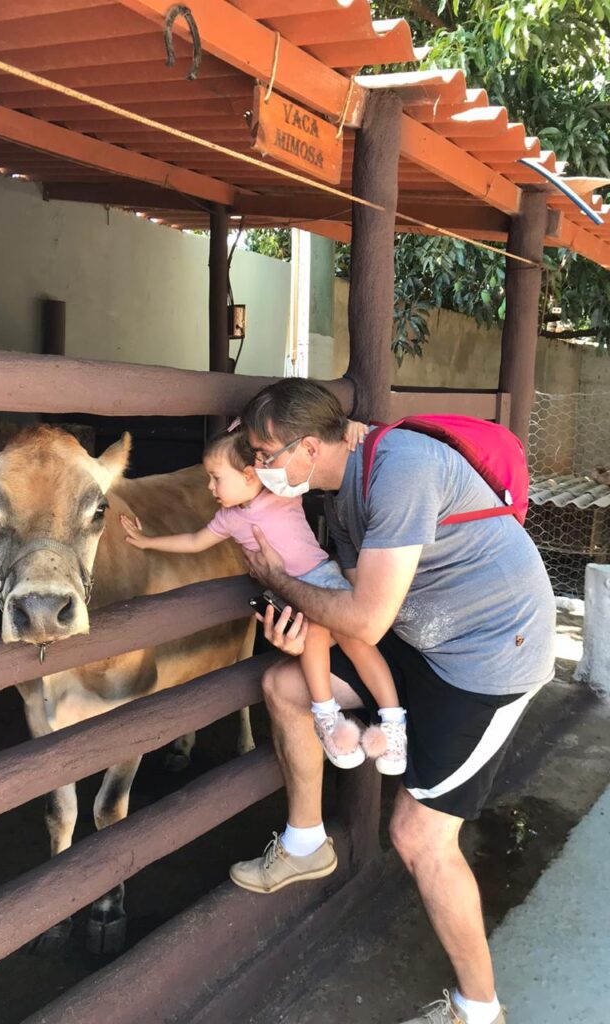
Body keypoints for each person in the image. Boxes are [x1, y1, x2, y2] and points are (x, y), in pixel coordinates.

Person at [229, 378, 555, 1024]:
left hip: (491, 655)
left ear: (310, 447)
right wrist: (301, 629)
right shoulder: (340, 496)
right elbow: (348, 610)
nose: (258, 470)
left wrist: (280, 582)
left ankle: (479, 1009)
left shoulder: (400, 470)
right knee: (285, 685)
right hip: (423, 640)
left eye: (265, 456)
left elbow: (366, 617)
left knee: (418, 836)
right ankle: (306, 842)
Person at [119, 424, 408, 774]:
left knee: (358, 644)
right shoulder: (228, 519)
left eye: (216, 478)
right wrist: (148, 541)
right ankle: (327, 718)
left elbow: (306, 453)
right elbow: (194, 541)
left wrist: (350, 427)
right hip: (289, 597)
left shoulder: (282, 492)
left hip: (323, 581)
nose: (209, 487)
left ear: (248, 474)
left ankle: (393, 722)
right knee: (313, 639)